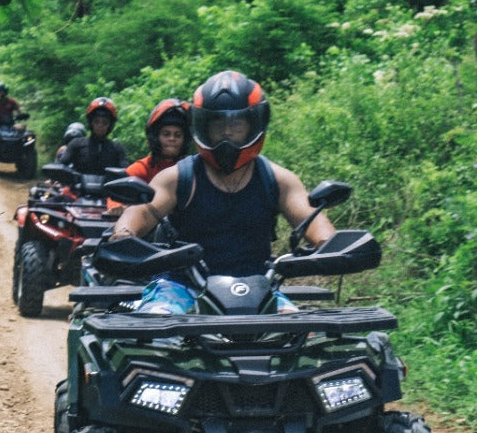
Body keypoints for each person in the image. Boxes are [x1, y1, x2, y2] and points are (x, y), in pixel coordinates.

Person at [108, 70, 336, 314]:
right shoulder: (178, 178)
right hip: (183, 287)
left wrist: (330, 246)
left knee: (302, 333)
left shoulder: (278, 180)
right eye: (218, 123)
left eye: (236, 123)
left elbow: (313, 221)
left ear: (254, 125)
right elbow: (141, 213)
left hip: (258, 288)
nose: (227, 132)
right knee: (156, 329)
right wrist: (123, 235)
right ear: (203, 126)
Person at [126, 98, 191, 183]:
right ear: (155, 138)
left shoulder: (192, 170)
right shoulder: (140, 170)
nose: (172, 138)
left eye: (178, 135)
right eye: (166, 134)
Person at [60, 97, 127, 174]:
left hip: (108, 186)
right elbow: (60, 165)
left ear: (110, 125)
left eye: (104, 122)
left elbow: (125, 172)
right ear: (91, 122)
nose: (100, 125)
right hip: (78, 185)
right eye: (96, 121)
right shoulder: (76, 144)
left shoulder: (117, 149)